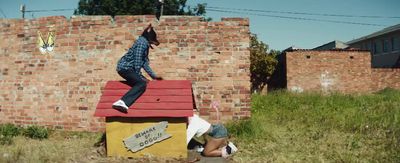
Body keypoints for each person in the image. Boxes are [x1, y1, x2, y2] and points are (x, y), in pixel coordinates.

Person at [112, 24, 163, 113]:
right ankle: (122, 102)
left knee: (142, 84)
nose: (152, 44)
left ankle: (124, 103)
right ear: (150, 39)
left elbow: (145, 63)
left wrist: (154, 77)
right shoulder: (142, 43)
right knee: (141, 83)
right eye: (152, 41)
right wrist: (140, 76)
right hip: (125, 68)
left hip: (128, 68)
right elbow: (138, 60)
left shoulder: (144, 44)